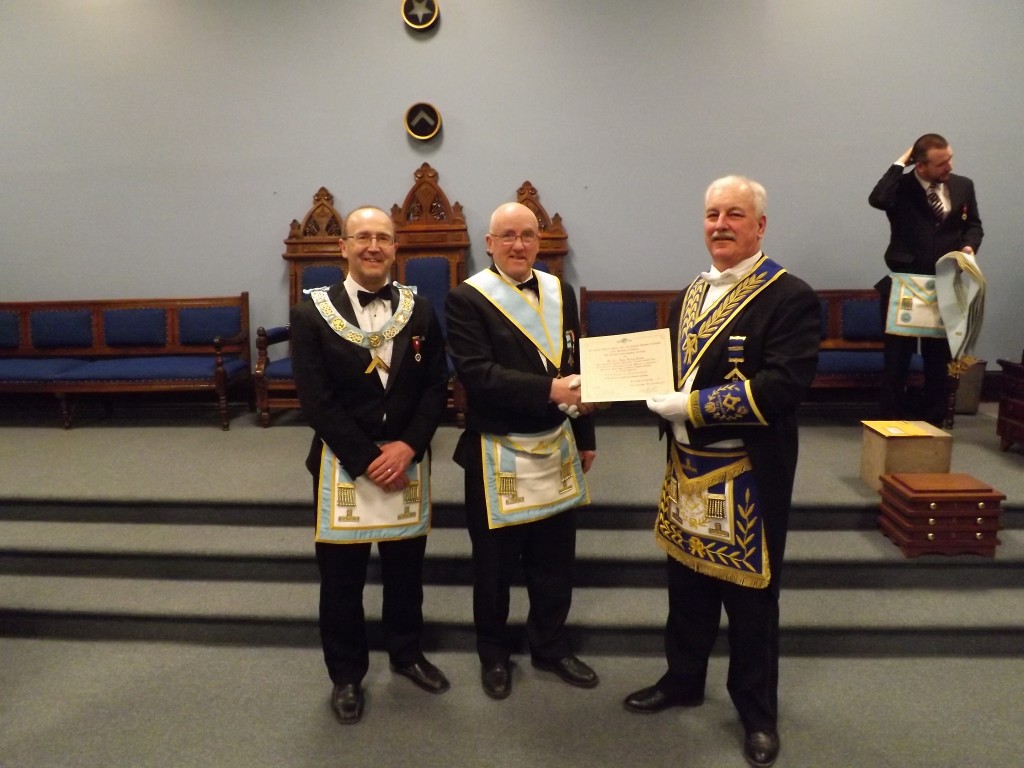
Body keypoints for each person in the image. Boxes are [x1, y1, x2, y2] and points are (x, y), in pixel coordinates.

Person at [622, 177, 819, 768]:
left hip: (748, 472)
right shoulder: (690, 293)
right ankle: (683, 680)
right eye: (712, 214)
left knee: (752, 602)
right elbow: (673, 368)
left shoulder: (790, 295)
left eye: (735, 214)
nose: (720, 224)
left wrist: (692, 406)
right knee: (685, 587)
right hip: (687, 467)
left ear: (760, 226)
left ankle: (757, 712)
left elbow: (784, 386)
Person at [290, 206, 450, 725]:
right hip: (343, 462)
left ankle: (406, 654)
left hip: (406, 459)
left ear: (395, 246)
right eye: (363, 237)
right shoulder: (311, 312)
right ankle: (346, 676)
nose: (373, 246)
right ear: (344, 246)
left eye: (383, 237)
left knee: (407, 572)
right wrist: (366, 458)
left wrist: (409, 445)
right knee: (341, 581)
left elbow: (435, 388)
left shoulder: (420, 308)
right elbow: (316, 400)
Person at [445, 201, 598, 700]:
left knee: (555, 560)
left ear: (539, 241)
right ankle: (494, 654)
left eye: (527, 235)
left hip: (556, 444)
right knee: (493, 567)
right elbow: (476, 373)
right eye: (507, 236)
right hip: (497, 450)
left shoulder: (560, 291)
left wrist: (585, 435)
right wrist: (550, 392)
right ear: (489, 244)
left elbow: (573, 360)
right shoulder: (466, 299)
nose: (518, 244)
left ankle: (551, 646)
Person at [869, 134, 983, 424]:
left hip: (946, 284)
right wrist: (899, 162)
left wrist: (968, 247)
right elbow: (877, 199)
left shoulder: (962, 185)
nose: (949, 166)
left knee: (939, 361)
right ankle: (890, 422)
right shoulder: (901, 187)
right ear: (920, 166)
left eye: (950, 158)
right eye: (941, 162)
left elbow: (973, 226)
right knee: (897, 362)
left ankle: (934, 420)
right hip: (907, 284)